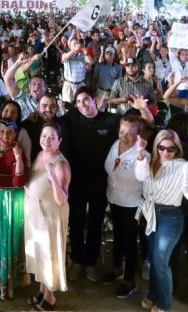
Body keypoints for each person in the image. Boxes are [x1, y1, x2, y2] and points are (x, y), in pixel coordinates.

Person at [137, 126, 188, 312]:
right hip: (150, 214)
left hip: (170, 217)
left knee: (161, 262)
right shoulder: (150, 161)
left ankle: (164, 304)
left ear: (177, 149)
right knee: (154, 259)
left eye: (170, 149)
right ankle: (153, 294)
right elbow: (139, 176)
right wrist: (141, 153)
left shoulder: (181, 165)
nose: (165, 152)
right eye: (161, 147)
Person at [59, 87, 121, 281]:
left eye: (86, 100)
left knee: (95, 223)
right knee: (75, 223)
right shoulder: (70, 119)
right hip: (76, 182)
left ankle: (90, 262)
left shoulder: (111, 121)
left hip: (100, 183)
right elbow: (49, 121)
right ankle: (77, 261)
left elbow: (132, 127)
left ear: (95, 100)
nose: (82, 105)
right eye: (78, 102)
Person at [24, 121, 71, 311]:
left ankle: (50, 297)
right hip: (35, 213)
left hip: (51, 215)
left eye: (52, 137)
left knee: (49, 254)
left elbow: (62, 199)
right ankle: (42, 290)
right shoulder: (39, 155)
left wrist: (52, 177)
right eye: (44, 136)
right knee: (39, 253)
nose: (47, 140)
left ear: (59, 141)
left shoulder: (61, 164)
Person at [103, 115, 149, 299]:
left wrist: (139, 154)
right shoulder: (115, 144)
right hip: (114, 199)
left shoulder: (142, 154)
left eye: (130, 133)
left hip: (131, 203)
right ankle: (116, 268)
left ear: (139, 134)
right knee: (118, 236)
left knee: (130, 242)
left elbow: (141, 176)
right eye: (122, 131)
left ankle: (130, 279)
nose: (124, 136)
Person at [0, 119, 28, 301]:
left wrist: (18, 158)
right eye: (1, 132)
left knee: (8, 241)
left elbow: (18, 182)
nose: (5, 136)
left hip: (10, 201)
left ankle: (9, 283)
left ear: (16, 135)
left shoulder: (17, 152)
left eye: (9, 132)